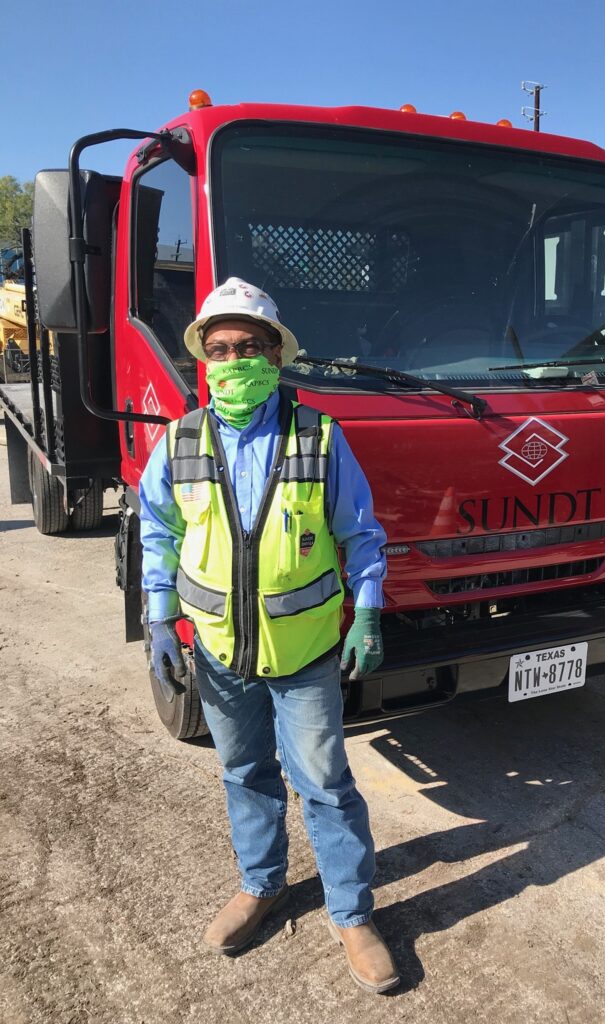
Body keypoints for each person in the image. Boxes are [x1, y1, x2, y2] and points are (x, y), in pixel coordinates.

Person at [139, 278, 399, 994]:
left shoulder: (318, 435)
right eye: (218, 350)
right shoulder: (182, 441)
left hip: (305, 652)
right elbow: (158, 531)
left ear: (276, 356)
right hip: (219, 654)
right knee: (245, 775)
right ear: (204, 362)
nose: (232, 360)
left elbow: (362, 535)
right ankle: (262, 886)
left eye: (248, 347)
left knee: (323, 783)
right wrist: (158, 617)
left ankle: (351, 913)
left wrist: (369, 611)